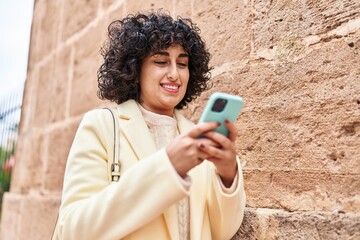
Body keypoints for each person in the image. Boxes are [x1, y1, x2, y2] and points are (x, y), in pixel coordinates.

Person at [52, 10, 245, 240]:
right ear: (134, 71)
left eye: (182, 64)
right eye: (161, 61)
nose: (174, 74)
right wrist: (168, 167)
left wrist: (227, 175)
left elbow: (221, 231)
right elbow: (73, 230)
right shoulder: (101, 125)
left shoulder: (194, 137)